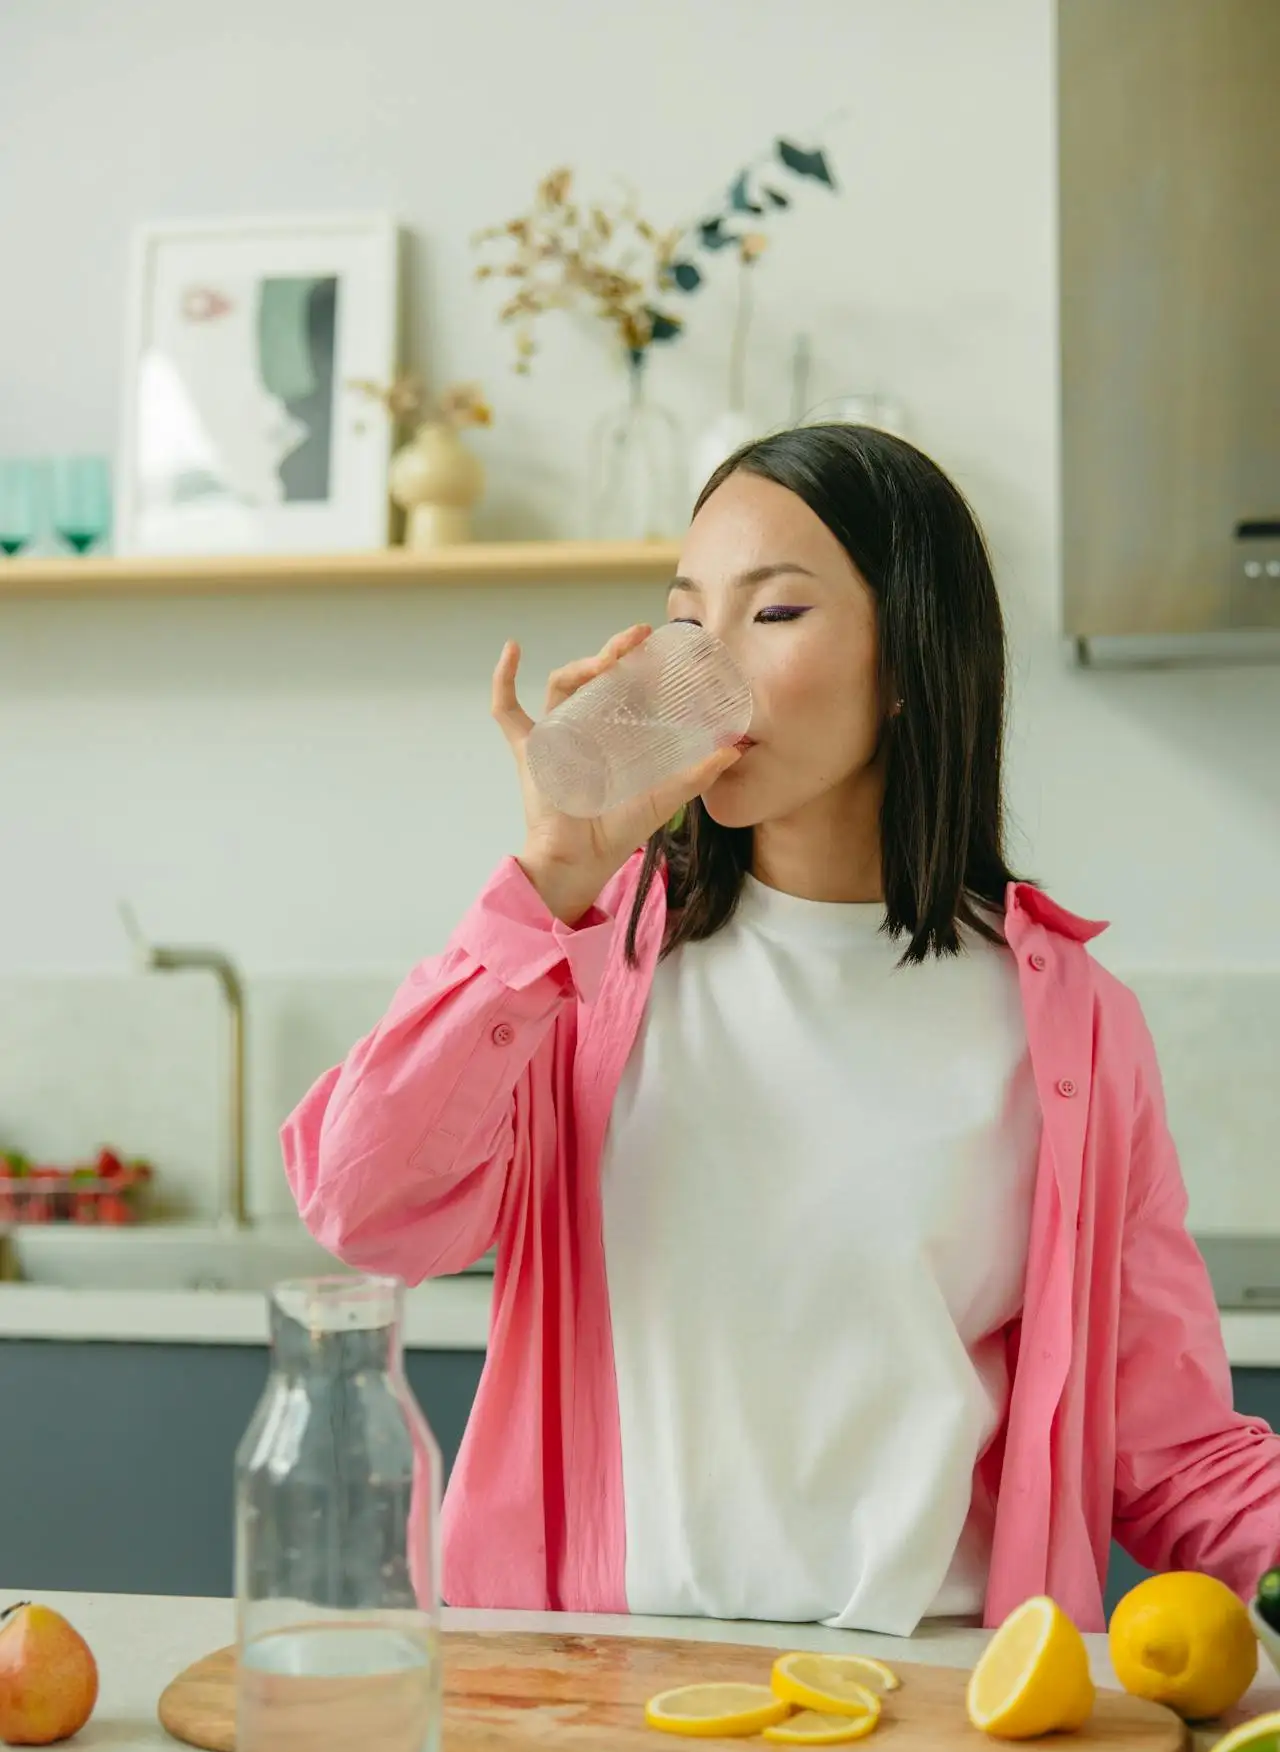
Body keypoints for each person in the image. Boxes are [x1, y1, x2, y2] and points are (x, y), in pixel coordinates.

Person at [282, 424, 1280, 1634]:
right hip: (593, 1701)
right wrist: (550, 873)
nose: (709, 669)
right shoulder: (580, 968)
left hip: (930, 1708)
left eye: (776, 613)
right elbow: (363, 1206)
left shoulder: (1070, 1030)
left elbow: (1165, 1452)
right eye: (686, 620)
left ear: (909, 660)